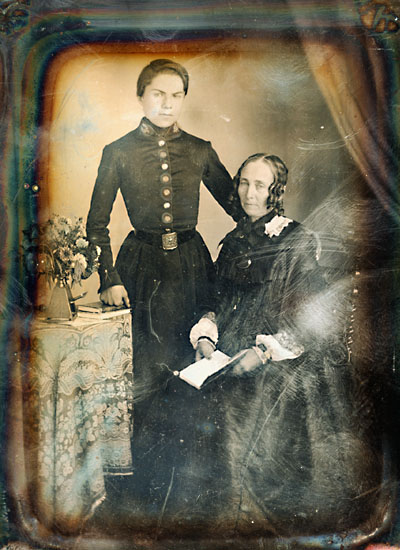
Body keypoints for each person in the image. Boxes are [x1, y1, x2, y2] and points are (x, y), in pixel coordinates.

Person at [190, 153, 382, 537]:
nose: (249, 192)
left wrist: (263, 353)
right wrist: (207, 336)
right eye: (244, 182)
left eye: (259, 185)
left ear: (275, 191)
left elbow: (314, 320)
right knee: (189, 395)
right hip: (228, 350)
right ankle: (212, 520)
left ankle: (245, 522)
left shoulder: (296, 239)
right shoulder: (232, 241)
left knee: (235, 406)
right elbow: (216, 300)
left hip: (284, 357)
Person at [86, 59, 237, 531]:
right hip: (142, 272)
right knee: (148, 380)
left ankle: (191, 490)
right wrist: (109, 277)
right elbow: (96, 223)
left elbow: (239, 206)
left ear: (184, 100)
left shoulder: (200, 149)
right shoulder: (117, 151)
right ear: (141, 96)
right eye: (157, 94)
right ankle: (144, 496)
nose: (166, 104)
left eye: (175, 95)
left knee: (193, 371)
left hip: (192, 270)